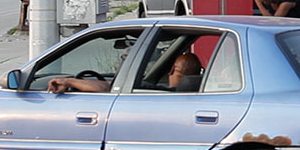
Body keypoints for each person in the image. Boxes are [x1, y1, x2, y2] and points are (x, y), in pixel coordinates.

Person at [47, 51, 201, 93]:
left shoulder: (153, 92)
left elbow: (110, 87)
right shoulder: (197, 92)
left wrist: (68, 81)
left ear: (172, 70)